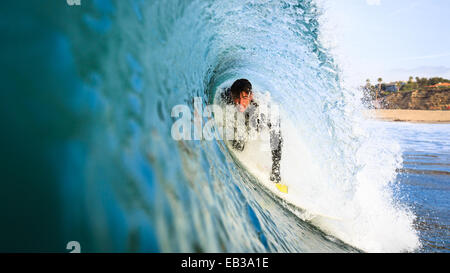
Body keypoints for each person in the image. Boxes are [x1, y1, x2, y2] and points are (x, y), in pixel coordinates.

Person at [221, 79, 283, 184]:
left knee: (243, 141)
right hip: (243, 117)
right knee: (237, 145)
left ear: (250, 96)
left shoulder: (262, 109)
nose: (240, 103)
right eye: (236, 98)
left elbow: (277, 137)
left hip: (257, 119)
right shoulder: (228, 94)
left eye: (244, 98)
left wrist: (275, 167)